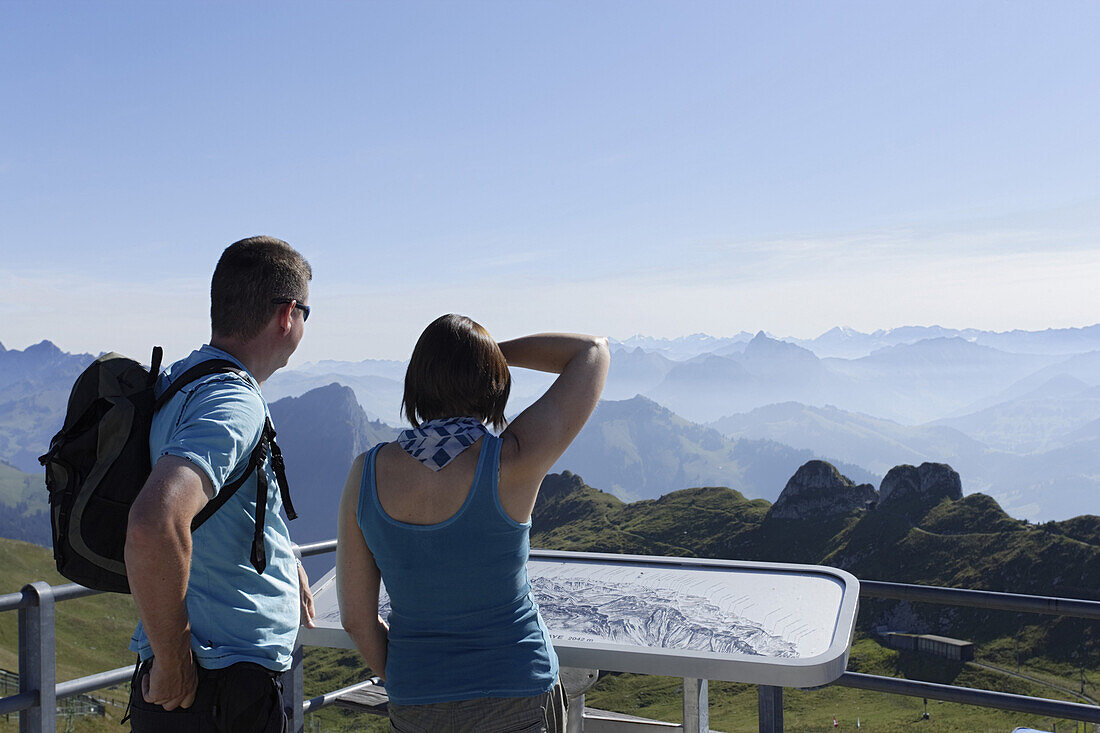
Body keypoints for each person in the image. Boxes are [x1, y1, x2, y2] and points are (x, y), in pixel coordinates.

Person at [337, 314, 609, 733]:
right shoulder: (513, 460)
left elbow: (356, 619)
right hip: (518, 688)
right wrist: (494, 355)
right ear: (493, 384)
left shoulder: (365, 474)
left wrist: (410, 677)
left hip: (417, 698)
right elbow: (592, 352)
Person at [125, 236, 317, 732]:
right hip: (220, 688)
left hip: (205, 687)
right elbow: (155, 521)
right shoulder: (233, 401)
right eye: (307, 315)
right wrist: (173, 661)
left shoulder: (184, 380)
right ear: (287, 315)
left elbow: (224, 507)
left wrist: (282, 555)